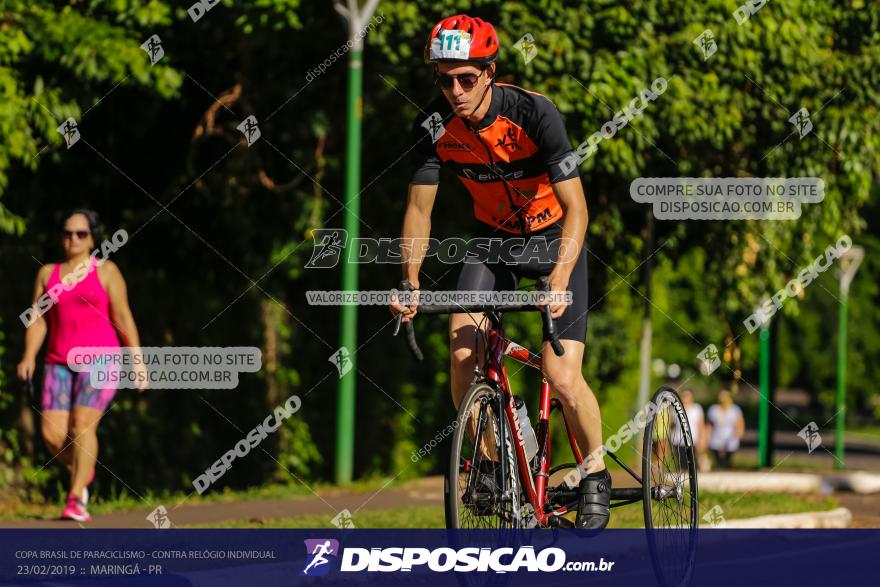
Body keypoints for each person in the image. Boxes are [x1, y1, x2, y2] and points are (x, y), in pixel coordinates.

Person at [390, 14, 610, 528]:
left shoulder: (535, 114)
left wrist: (558, 279)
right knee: (464, 350)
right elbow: (419, 210)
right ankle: (489, 463)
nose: (455, 90)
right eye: (444, 79)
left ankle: (595, 472)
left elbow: (578, 209)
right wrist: (409, 278)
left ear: (490, 71)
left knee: (561, 372)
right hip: (494, 244)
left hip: (557, 241)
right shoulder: (434, 126)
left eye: (466, 77)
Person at [16, 209, 145, 522]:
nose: (73, 239)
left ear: (93, 237)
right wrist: (29, 355)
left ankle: (75, 499)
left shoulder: (107, 271)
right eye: (67, 233)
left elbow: (123, 316)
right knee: (52, 434)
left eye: (81, 234)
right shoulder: (48, 273)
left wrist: (137, 359)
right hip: (58, 361)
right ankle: (82, 472)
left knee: (82, 426)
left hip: (102, 359)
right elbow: (38, 319)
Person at [706, 389, 745, 469]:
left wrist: (739, 434)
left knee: (727, 460)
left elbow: (740, 423)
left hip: (730, 439)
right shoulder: (713, 409)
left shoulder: (735, 409)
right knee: (718, 460)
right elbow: (709, 425)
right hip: (716, 439)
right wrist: (706, 438)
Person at [669, 389, 707, 470]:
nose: (685, 397)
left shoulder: (697, 408)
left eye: (687, 395)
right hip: (678, 440)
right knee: (681, 463)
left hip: (692, 439)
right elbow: (670, 424)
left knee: (692, 463)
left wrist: (702, 440)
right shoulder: (675, 408)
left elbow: (701, 425)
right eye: (684, 395)